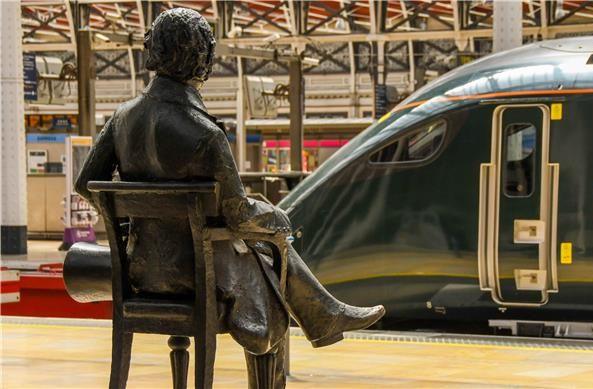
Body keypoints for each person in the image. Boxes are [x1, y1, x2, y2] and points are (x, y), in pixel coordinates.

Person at [74, 7, 384, 361]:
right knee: (270, 257)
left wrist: (126, 226)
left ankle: (325, 314)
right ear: (200, 58)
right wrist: (275, 217)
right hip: (197, 277)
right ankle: (320, 317)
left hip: (141, 273)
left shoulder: (122, 119)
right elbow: (238, 215)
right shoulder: (204, 133)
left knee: (264, 253)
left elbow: (86, 183)